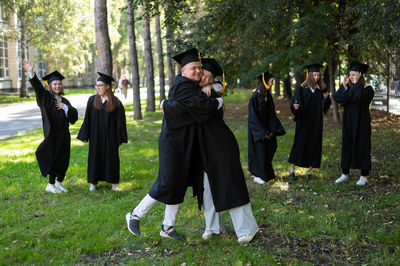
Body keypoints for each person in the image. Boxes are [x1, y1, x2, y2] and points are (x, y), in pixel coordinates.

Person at [125, 48, 224, 241]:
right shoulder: (183, 85)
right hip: (173, 143)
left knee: (178, 183)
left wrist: (214, 89)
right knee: (167, 181)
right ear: (183, 71)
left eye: (199, 68)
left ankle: (167, 227)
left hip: (186, 143)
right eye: (193, 68)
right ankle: (135, 214)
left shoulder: (193, 86)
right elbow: (202, 107)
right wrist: (217, 100)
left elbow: (201, 98)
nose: (198, 71)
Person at [198, 58, 259, 243]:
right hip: (203, 146)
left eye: (207, 75)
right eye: (201, 74)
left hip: (221, 145)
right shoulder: (195, 91)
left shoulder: (214, 90)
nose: (202, 77)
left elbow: (214, 94)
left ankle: (247, 229)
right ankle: (211, 227)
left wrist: (211, 87)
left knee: (231, 184)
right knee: (206, 187)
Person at [22, 59, 78, 193]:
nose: (57, 86)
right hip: (52, 135)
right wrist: (31, 73)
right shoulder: (46, 98)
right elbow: (38, 89)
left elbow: (73, 117)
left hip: (64, 135)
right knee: (54, 159)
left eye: (59, 84)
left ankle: (59, 183)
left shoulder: (64, 101)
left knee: (64, 160)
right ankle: (50, 185)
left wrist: (65, 108)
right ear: (50, 85)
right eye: (55, 84)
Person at [77, 72, 127, 191]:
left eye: (100, 85)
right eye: (96, 85)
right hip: (96, 136)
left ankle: (114, 182)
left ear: (107, 87)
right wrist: (85, 134)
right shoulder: (92, 100)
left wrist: (119, 138)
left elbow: (121, 122)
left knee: (112, 158)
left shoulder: (116, 103)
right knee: (95, 157)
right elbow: (87, 118)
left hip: (110, 137)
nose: (97, 88)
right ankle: (93, 182)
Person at [332, 62, 374, 186]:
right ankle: (344, 174)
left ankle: (364, 175)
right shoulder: (349, 88)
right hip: (348, 123)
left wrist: (355, 85)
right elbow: (337, 97)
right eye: (350, 74)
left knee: (363, 147)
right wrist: (344, 86)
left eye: (353, 74)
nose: (351, 77)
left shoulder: (367, 89)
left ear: (360, 75)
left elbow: (357, 97)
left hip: (362, 123)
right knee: (347, 146)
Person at [288, 64, 331, 180]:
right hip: (303, 121)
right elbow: (294, 103)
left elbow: (325, 106)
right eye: (314, 75)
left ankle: (310, 170)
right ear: (309, 75)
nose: (316, 77)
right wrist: (295, 107)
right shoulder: (301, 89)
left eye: (318, 75)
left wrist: (326, 99)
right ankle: (292, 168)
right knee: (299, 143)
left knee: (314, 144)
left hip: (316, 122)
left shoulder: (320, 90)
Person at [248, 71, 286, 185]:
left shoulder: (268, 96)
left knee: (271, 146)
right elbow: (253, 118)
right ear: (265, 81)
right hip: (257, 130)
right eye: (271, 81)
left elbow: (271, 115)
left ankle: (267, 173)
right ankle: (257, 175)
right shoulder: (255, 97)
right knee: (259, 151)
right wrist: (262, 132)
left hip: (267, 129)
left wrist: (271, 130)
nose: (273, 83)